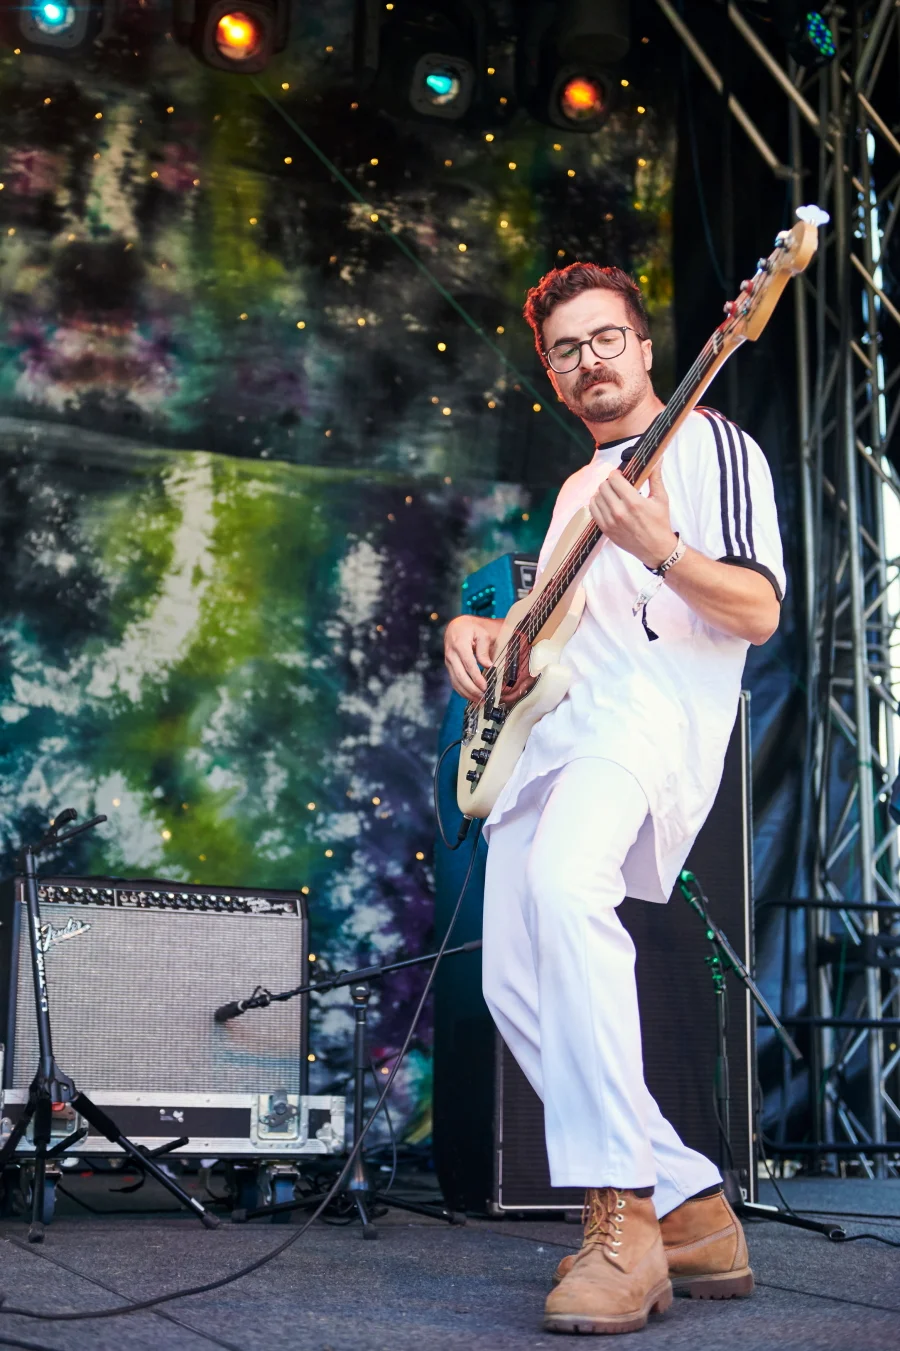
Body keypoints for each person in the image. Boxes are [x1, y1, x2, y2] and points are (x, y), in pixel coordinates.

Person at [443, 264, 785, 1336]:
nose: (588, 360)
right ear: (551, 375)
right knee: (509, 981)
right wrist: (480, 633)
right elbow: (543, 637)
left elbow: (758, 609)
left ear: (643, 346)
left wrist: (664, 549)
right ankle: (693, 1205)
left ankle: (625, 1220)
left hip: (640, 731)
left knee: (566, 884)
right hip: (551, 743)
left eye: (605, 339)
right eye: (565, 350)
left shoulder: (712, 445)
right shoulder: (572, 492)